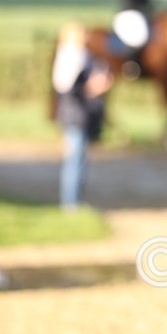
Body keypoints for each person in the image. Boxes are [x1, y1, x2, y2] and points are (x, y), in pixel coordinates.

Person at [51, 22, 113, 209]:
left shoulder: (79, 56)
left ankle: (75, 201)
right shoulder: (73, 57)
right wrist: (92, 87)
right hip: (76, 115)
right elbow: (69, 89)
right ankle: (71, 204)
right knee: (75, 161)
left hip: (78, 115)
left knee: (79, 161)